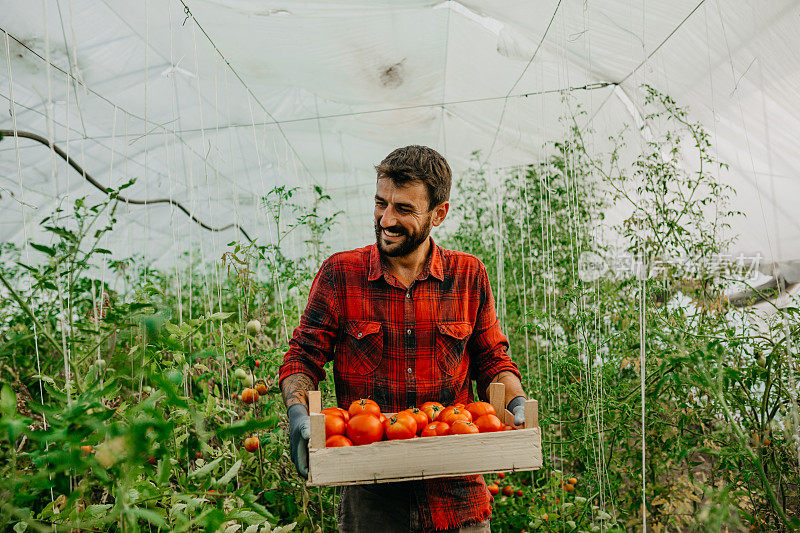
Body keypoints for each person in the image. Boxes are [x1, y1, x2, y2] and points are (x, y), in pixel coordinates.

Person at [278, 145, 529, 532]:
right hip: (371, 495)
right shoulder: (341, 275)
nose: (386, 219)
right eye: (381, 203)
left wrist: (516, 400)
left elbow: (493, 361)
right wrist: (298, 413)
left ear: (438, 214)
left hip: (457, 493)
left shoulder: (468, 275)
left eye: (404, 209)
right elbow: (302, 357)